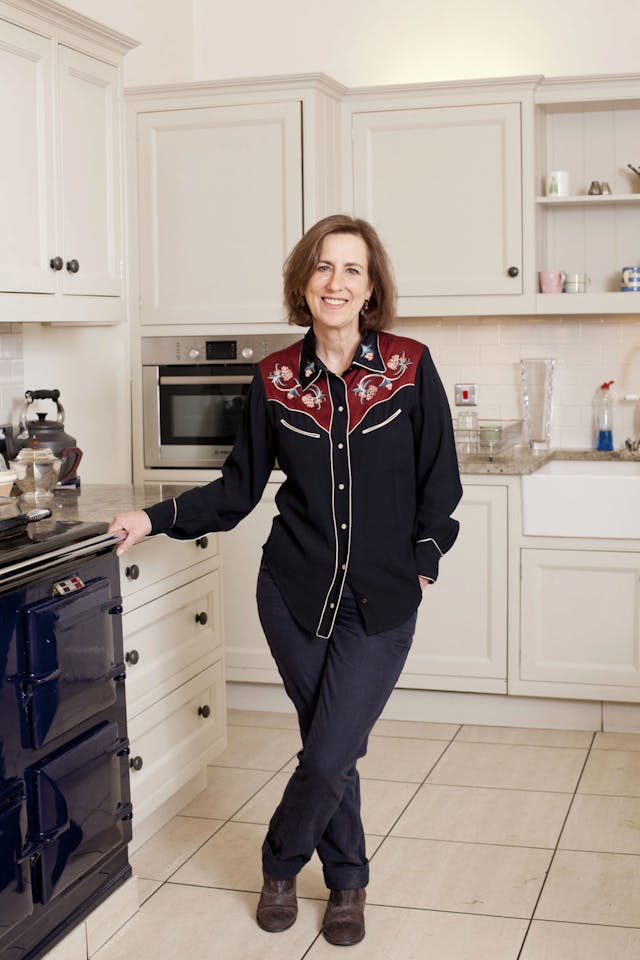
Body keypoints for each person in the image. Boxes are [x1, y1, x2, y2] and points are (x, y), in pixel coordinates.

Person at [109, 213, 462, 947]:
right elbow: (237, 491)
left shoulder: (409, 366)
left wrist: (425, 558)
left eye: (352, 269)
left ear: (372, 288)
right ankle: (348, 884)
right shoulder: (273, 379)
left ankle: (279, 862)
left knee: (330, 751)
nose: (336, 282)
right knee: (332, 742)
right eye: (323, 267)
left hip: (384, 597)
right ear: (304, 283)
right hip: (293, 594)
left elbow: (441, 480)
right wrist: (153, 517)